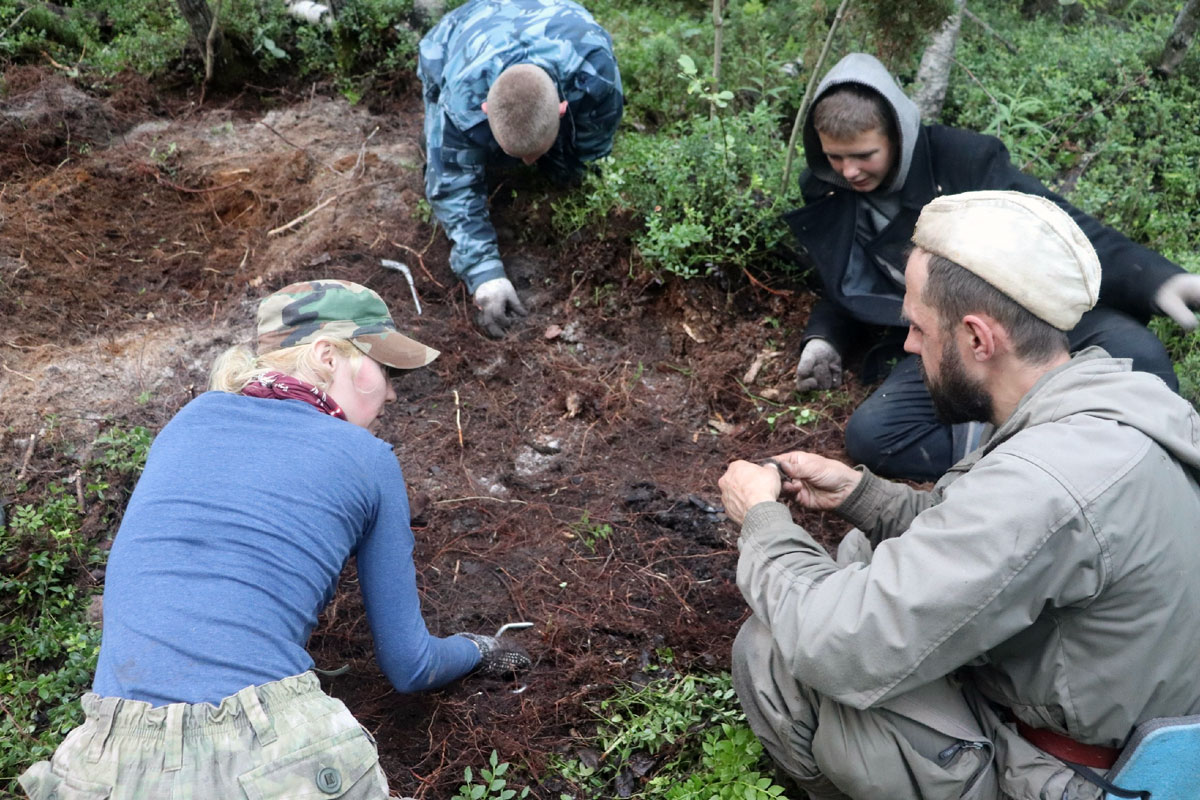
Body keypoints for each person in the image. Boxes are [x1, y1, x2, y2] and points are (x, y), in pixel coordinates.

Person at [718, 191, 1200, 800]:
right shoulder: (1112, 399)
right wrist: (860, 494)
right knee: (864, 552)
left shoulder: (1043, 483)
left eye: (918, 327)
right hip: (1132, 726)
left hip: (1079, 776)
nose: (910, 346)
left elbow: (833, 643)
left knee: (774, 650)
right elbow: (990, 531)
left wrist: (761, 518)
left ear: (977, 338)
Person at [19, 279, 531, 800]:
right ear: (328, 356)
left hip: (107, 762)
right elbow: (411, 664)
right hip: (270, 752)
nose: (393, 392)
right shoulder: (369, 458)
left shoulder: (186, 422)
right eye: (385, 369)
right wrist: (478, 648)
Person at [786, 51, 1200, 481]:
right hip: (943, 336)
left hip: (1030, 312)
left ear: (898, 135)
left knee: (1138, 356)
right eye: (835, 157)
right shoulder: (825, 188)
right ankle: (1028, 467)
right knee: (875, 435)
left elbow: (1058, 225)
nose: (848, 171)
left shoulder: (962, 159)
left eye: (864, 154)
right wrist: (824, 339)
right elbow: (839, 276)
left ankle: (1154, 473)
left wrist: (1156, 279)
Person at [418, 0, 623, 338]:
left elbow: (592, 151)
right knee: (445, 158)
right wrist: (484, 273)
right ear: (484, 109)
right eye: (518, 154)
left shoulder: (596, 78)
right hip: (464, 33)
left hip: (558, 20)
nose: (527, 164)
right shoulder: (462, 97)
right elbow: (452, 182)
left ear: (562, 109)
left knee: (570, 168)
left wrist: (567, 177)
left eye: (532, 154)